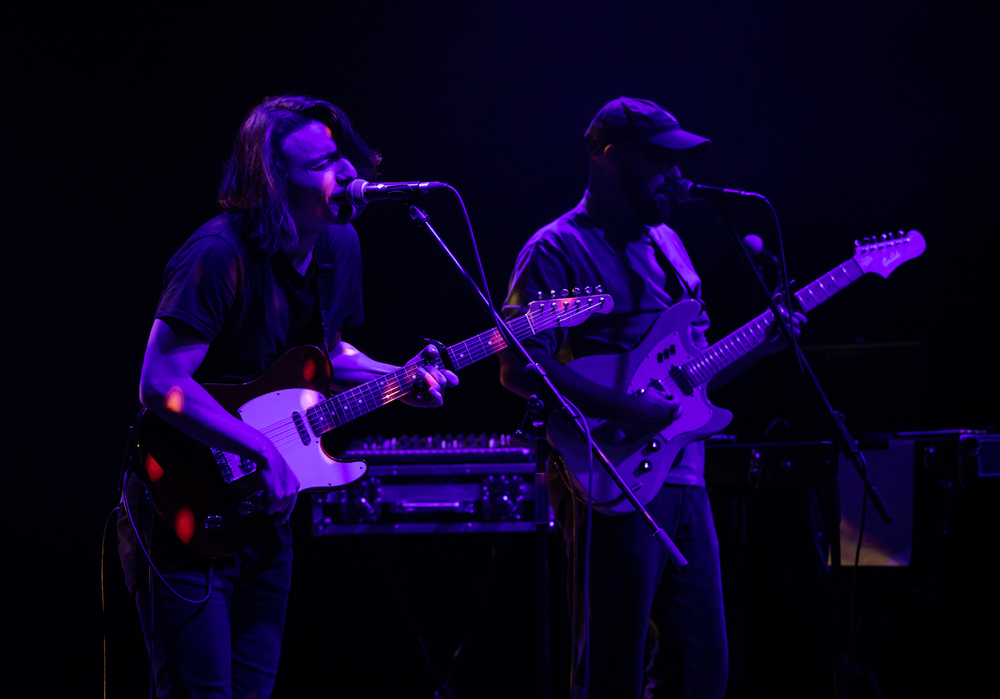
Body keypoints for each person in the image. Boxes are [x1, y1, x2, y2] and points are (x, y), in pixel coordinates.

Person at [118, 95, 458, 698]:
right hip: (181, 509)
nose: (348, 173)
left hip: (263, 522)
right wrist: (260, 449)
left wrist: (401, 378)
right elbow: (160, 383)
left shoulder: (339, 245)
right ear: (273, 183)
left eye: (345, 157)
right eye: (322, 164)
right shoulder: (219, 254)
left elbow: (330, 356)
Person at [499, 97, 804, 698]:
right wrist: (625, 409)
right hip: (609, 475)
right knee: (611, 668)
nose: (677, 178)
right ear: (612, 159)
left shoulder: (670, 244)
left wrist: (763, 347)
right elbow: (517, 367)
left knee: (701, 671)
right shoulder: (556, 249)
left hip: (685, 472)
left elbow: (693, 372)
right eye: (661, 162)